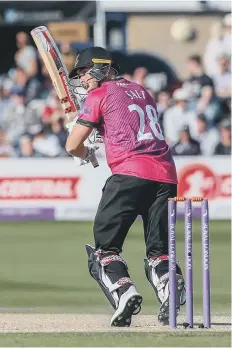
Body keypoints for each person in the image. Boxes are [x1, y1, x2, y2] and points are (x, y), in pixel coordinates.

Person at [65, 47, 185, 327]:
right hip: (166, 175)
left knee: (103, 250)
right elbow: (126, 123)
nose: (82, 80)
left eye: (84, 73)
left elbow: (72, 145)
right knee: (160, 251)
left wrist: (85, 152)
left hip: (129, 174)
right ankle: (170, 288)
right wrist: (96, 135)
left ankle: (124, 291)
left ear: (101, 67)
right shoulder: (143, 91)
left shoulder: (99, 95)